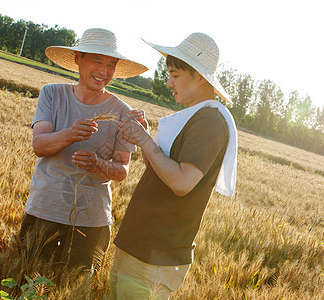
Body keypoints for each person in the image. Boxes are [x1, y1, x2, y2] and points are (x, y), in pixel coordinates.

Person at [110, 32, 238, 299]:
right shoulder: (194, 116)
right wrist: (144, 137)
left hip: (156, 254)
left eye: (175, 75)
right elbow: (161, 172)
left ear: (200, 77)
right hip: (139, 244)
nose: (168, 82)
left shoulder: (209, 122)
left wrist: (144, 140)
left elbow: (181, 183)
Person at [19, 28, 148, 273]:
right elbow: (39, 146)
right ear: (78, 58)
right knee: (28, 277)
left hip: (91, 221)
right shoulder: (52, 94)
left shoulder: (122, 111)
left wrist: (99, 165)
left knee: (75, 286)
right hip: (44, 210)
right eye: (97, 61)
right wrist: (70, 134)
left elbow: (122, 170)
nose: (104, 71)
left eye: (111, 65)